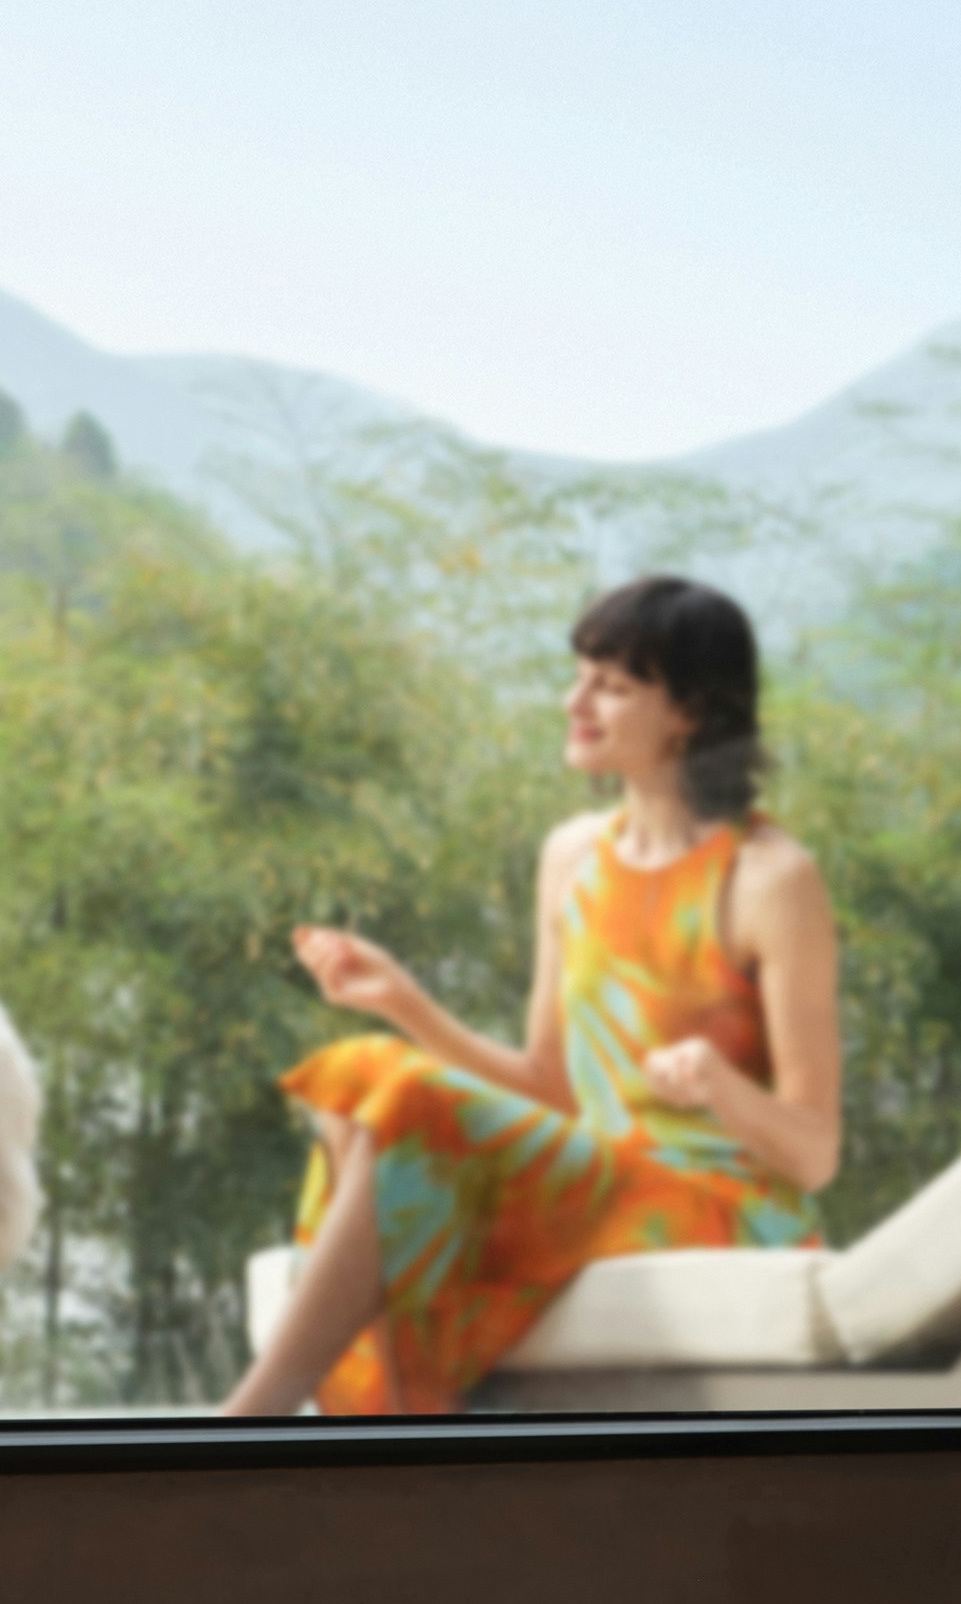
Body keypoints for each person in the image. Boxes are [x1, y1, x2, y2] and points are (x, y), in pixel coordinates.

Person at [223, 576, 837, 1416]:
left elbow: (814, 1154)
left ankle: (250, 1424)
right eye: (580, 674)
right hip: (598, 1176)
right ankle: (365, 1423)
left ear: (689, 713)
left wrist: (722, 1089)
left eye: (613, 687)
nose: (574, 700)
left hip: (715, 1204)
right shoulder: (573, 857)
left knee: (402, 1098)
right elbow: (550, 1086)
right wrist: (403, 1002)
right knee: (365, 1071)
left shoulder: (771, 880)